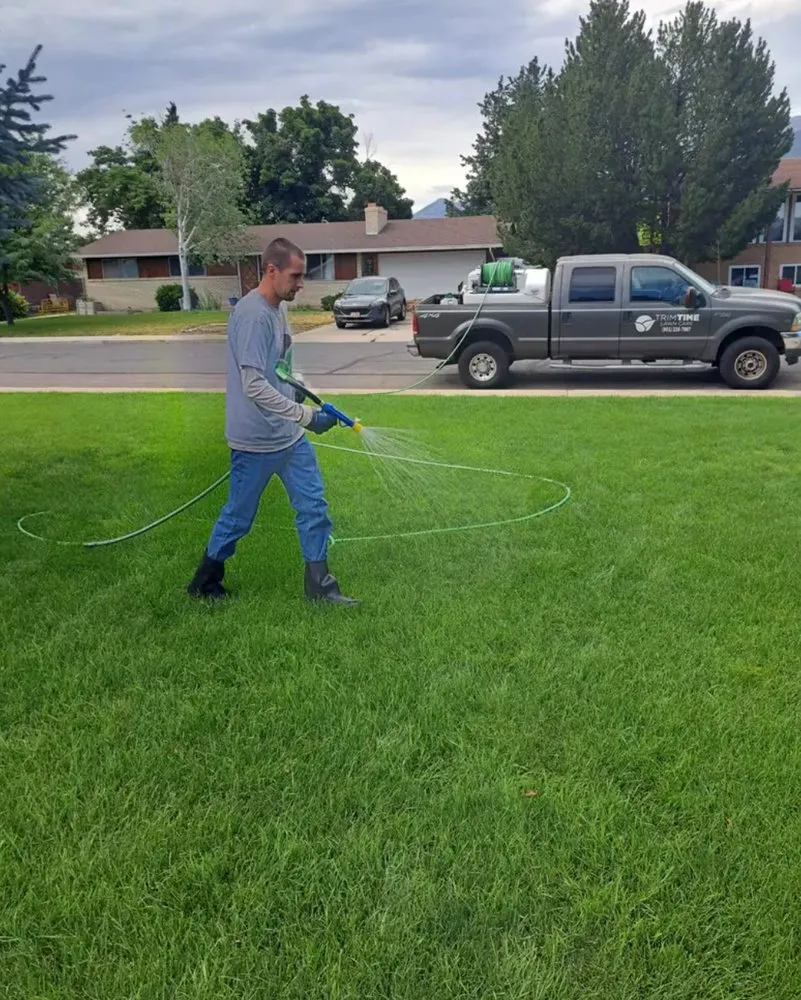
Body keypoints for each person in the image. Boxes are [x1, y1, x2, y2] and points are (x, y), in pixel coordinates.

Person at [187, 237, 358, 606]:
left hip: (289, 438)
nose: (301, 284)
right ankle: (204, 582)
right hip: (254, 442)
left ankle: (320, 587)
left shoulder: (279, 309)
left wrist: (306, 397)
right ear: (271, 270)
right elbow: (253, 385)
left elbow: (280, 371)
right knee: (238, 517)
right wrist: (307, 416)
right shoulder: (252, 316)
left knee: (314, 507)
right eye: (296, 276)